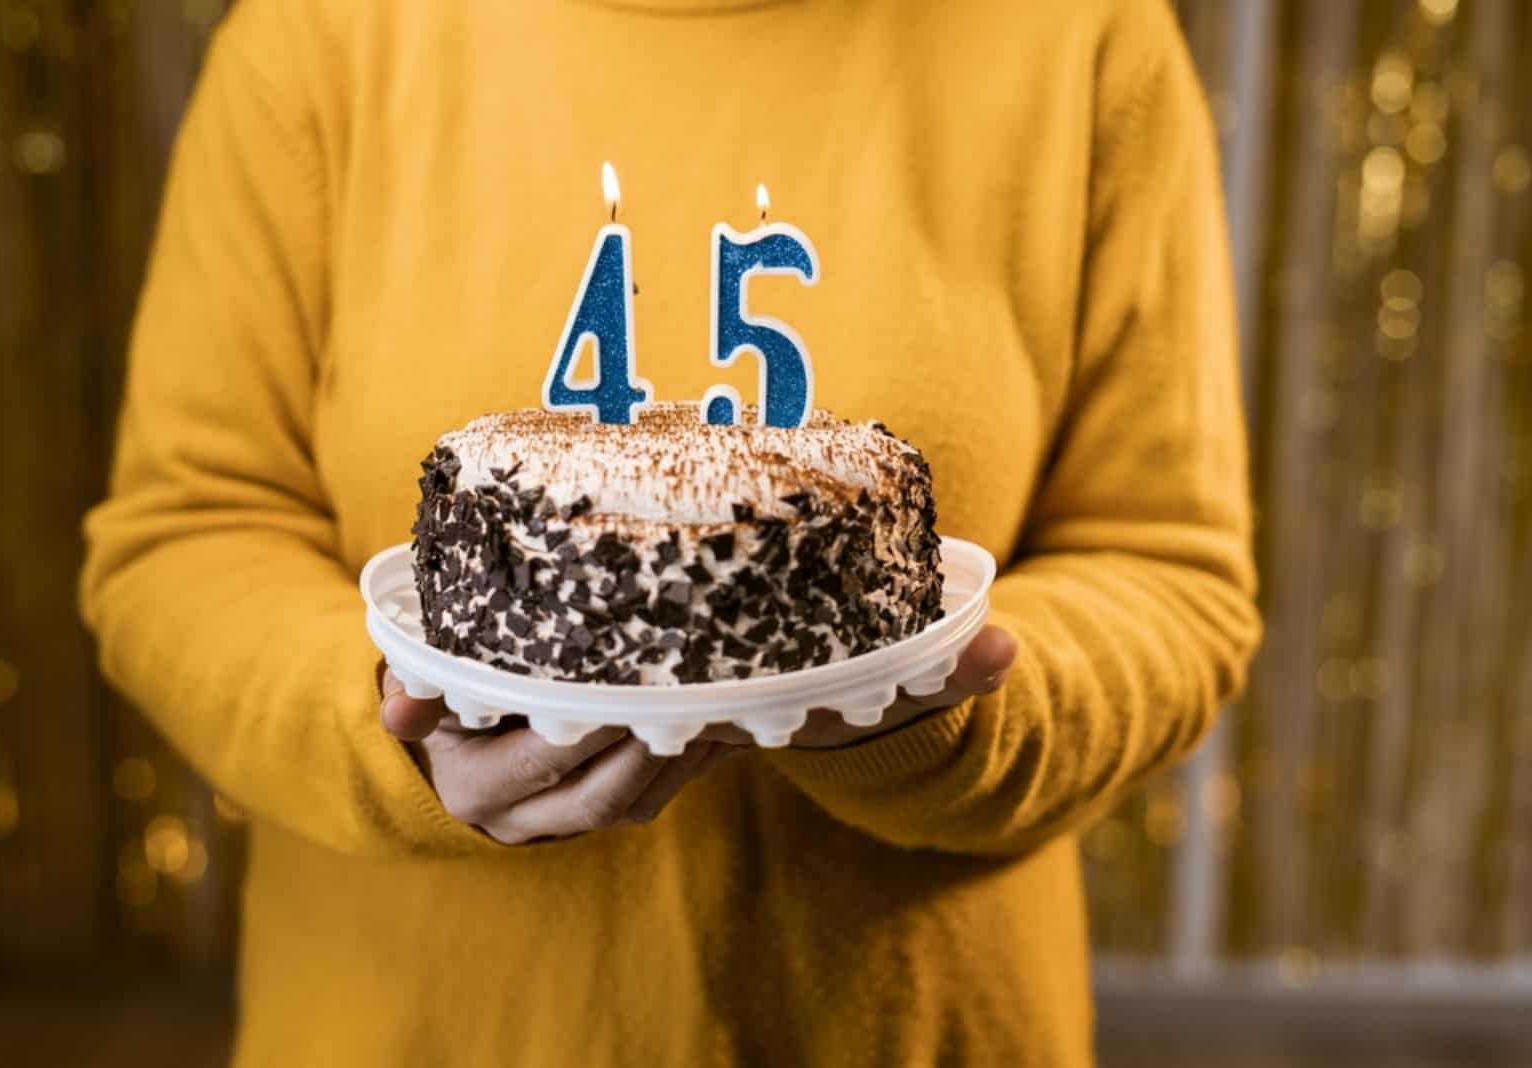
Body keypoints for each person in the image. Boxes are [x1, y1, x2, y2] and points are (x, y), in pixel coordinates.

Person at [80, 0, 1260, 1064]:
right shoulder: (318, 37)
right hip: (418, 1025)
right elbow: (186, 533)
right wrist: (399, 728)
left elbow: (1168, 568)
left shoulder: (1080, 37)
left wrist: (931, 720)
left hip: (906, 1027)